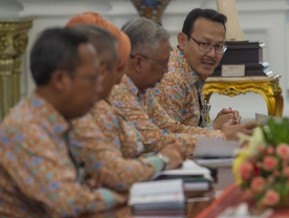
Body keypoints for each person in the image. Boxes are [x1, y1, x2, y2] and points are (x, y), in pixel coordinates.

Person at [0, 28, 125, 218]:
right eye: (92, 78)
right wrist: (120, 196)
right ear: (59, 80)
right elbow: (68, 202)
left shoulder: (57, 122)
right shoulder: (26, 128)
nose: (99, 88)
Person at [65, 13, 184, 191]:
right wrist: (162, 161)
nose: (118, 81)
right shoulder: (80, 112)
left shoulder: (96, 104)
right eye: (116, 68)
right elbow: (113, 174)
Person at [110, 17, 253, 157]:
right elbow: (155, 141)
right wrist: (221, 137)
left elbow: (171, 127)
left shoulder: (142, 90)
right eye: (204, 44)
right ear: (139, 62)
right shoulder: (121, 90)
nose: (166, 70)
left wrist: (218, 132)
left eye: (218, 46)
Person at [150, 8, 239, 129]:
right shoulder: (171, 80)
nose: (212, 54)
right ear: (183, 41)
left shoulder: (191, 71)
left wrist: (216, 124)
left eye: (219, 46)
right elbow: (167, 141)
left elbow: (188, 128)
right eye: (204, 44)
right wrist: (214, 129)